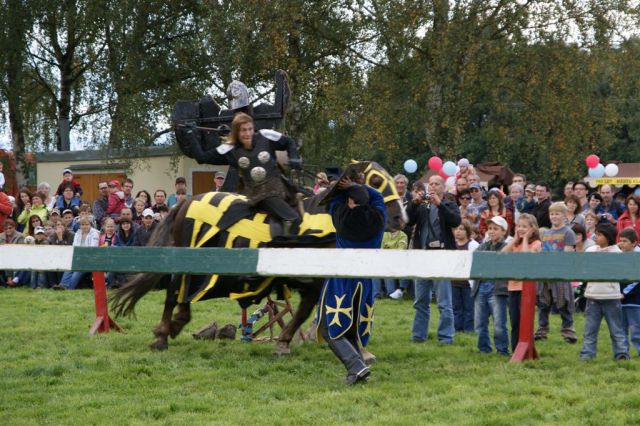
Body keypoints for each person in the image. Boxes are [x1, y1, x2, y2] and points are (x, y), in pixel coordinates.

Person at [316, 178, 386, 385]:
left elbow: (331, 200)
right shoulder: (379, 218)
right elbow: (378, 197)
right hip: (365, 280)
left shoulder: (342, 218)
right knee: (354, 326)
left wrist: (341, 186)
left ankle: (355, 366)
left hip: (342, 278)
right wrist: (358, 187)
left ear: (349, 202)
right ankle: (359, 368)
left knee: (330, 327)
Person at [201, 113, 302, 236]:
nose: (248, 133)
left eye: (250, 129)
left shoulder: (265, 135)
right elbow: (202, 157)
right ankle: (285, 249)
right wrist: (189, 135)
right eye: (243, 130)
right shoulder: (230, 148)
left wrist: (294, 157)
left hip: (280, 187)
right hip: (261, 196)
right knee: (294, 219)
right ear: (237, 132)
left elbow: (288, 141)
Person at [407, 176, 461, 344]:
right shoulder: (424, 204)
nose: (433, 186)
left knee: (444, 301)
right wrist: (414, 203)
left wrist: (440, 204)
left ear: (443, 188)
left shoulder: (449, 204)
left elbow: (455, 221)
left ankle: (446, 337)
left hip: (442, 256)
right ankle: (418, 336)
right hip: (422, 255)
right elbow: (407, 221)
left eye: (437, 184)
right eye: (430, 184)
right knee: (420, 300)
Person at [580, 223, 629, 360]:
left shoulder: (618, 253)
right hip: (592, 296)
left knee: (616, 330)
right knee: (590, 330)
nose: (596, 236)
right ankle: (587, 355)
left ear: (608, 237)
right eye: (596, 233)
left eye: (600, 234)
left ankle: (621, 354)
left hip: (611, 297)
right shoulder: (590, 251)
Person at [535, 202, 578, 343]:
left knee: (563, 302)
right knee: (543, 303)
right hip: (545, 273)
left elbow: (568, 254)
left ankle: (568, 332)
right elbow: (542, 251)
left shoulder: (568, 232)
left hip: (560, 273)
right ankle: (541, 331)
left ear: (564, 215)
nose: (554, 216)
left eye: (557, 213)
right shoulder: (545, 233)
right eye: (552, 213)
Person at [502, 213, 542, 351]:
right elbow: (501, 255)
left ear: (533, 229)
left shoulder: (536, 243)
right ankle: (515, 350)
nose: (521, 229)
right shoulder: (515, 244)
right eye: (519, 226)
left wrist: (525, 239)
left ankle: (525, 348)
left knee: (525, 321)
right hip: (513, 287)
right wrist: (515, 239)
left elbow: (526, 258)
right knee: (514, 321)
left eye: (525, 226)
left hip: (526, 288)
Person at [472, 216, 509, 355]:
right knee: (479, 323)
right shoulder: (484, 245)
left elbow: (499, 261)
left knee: (499, 323)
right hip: (481, 286)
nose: (491, 232)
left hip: (497, 288)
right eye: (490, 229)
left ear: (503, 231)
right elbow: (476, 258)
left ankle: (502, 350)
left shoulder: (506, 246)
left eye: (495, 229)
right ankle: (483, 349)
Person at [54, 217, 100, 290]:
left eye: (86, 224)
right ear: (80, 226)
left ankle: (69, 289)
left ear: (90, 225)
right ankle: (62, 285)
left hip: (90, 261)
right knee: (69, 269)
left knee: (77, 272)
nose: (84, 226)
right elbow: (75, 246)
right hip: (78, 259)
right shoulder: (78, 233)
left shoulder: (95, 234)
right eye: (82, 225)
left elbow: (92, 249)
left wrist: (81, 257)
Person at [451, 219, 479, 333]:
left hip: (468, 283)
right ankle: (457, 329)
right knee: (456, 307)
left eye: (461, 229)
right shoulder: (452, 245)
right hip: (454, 282)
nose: (458, 231)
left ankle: (468, 330)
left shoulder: (473, 245)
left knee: (469, 308)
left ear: (467, 231)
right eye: (456, 229)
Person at [618, 227, 640, 356]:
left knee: (636, 329)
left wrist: (624, 293)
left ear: (634, 243)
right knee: (621, 328)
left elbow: (637, 281)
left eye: (625, 241)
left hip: (635, 300)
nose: (621, 244)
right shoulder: (620, 256)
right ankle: (623, 352)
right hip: (621, 299)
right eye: (620, 241)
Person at [374, 227, 408, 299]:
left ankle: (390, 293)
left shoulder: (403, 235)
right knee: (375, 271)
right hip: (385, 260)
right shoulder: (384, 235)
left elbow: (401, 250)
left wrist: (388, 250)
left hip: (398, 261)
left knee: (388, 270)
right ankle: (377, 295)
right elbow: (382, 249)